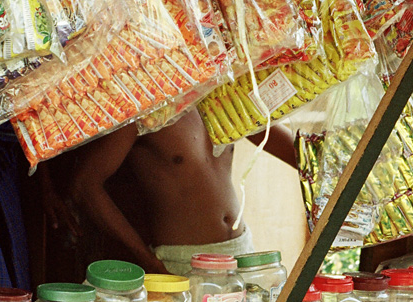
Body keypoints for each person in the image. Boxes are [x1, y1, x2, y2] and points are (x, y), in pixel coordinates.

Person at [64, 108, 297, 275]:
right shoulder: (146, 110)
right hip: (183, 265)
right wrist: (149, 261)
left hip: (242, 254)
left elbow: (301, 154)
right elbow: (84, 186)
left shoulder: (221, 98)